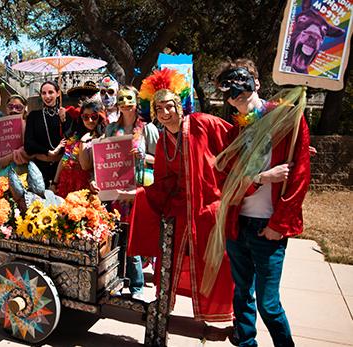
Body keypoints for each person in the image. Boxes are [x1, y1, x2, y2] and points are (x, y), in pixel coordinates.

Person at [213, 59, 311, 347]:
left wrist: (279, 225)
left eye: (240, 81)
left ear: (256, 83)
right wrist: (262, 177)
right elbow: (228, 183)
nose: (236, 91)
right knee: (242, 294)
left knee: (269, 304)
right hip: (238, 224)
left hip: (268, 228)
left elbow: (300, 177)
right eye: (227, 88)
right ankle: (246, 343)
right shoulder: (236, 133)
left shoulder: (287, 118)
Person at [127, 68, 235, 321]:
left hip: (209, 206)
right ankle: (164, 303)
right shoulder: (164, 139)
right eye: (160, 109)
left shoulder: (203, 123)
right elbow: (166, 181)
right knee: (170, 257)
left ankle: (225, 313)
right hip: (181, 208)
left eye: (169, 107)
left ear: (179, 105)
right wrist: (139, 194)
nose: (165, 114)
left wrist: (279, 147)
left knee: (217, 263)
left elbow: (240, 140)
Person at [102, 85, 158, 301]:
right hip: (115, 190)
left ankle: (136, 286)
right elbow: (105, 157)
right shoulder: (110, 129)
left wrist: (143, 155)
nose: (125, 102)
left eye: (129, 98)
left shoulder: (148, 129)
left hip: (136, 190)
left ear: (137, 101)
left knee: (133, 238)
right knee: (114, 237)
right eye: (121, 98)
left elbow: (160, 158)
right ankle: (114, 281)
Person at [24, 81, 72, 187]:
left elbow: (70, 141)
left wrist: (64, 121)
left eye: (51, 92)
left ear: (58, 93)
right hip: (39, 168)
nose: (47, 96)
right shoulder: (33, 116)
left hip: (60, 168)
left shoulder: (66, 115)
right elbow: (28, 145)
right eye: (44, 93)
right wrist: (47, 152)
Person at [53, 99, 105, 197]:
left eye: (94, 117)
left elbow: (85, 166)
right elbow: (65, 158)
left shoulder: (101, 138)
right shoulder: (76, 135)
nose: (90, 121)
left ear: (100, 117)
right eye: (85, 117)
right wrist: (54, 183)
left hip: (86, 186)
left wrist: (84, 141)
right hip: (66, 183)